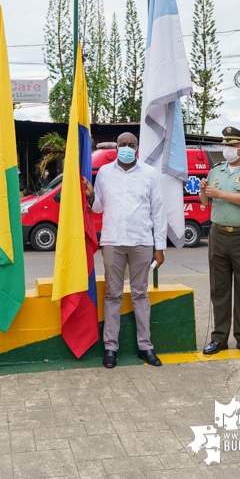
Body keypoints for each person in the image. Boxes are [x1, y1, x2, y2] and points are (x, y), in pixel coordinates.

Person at [83, 132, 167, 368]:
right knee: (113, 295)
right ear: (116, 147)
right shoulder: (105, 173)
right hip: (112, 241)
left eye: (131, 145)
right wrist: (90, 194)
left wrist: (159, 247)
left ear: (137, 148)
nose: (127, 147)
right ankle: (110, 348)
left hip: (141, 241)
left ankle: (145, 346)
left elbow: (159, 210)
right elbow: (99, 207)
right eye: (122, 144)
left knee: (140, 293)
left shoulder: (150, 174)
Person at [199, 127, 240, 358]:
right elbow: (207, 200)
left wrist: (219, 194)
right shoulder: (216, 170)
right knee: (219, 289)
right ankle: (218, 338)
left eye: (231, 146)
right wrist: (203, 191)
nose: (226, 150)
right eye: (225, 145)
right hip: (218, 235)